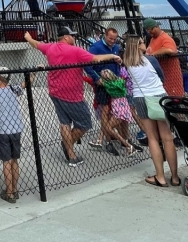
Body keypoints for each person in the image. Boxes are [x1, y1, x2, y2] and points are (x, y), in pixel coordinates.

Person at [25, 27, 121, 167]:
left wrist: (28, 37)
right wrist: (112, 56)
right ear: (65, 37)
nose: (74, 38)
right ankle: (68, 145)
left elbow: (36, 44)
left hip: (54, 91)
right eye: (72, 36)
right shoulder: (75, 50)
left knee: (64, 122)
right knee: (85, 123)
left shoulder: (50, 47)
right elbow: (95, 59)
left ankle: (70, 154)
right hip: (72, 94)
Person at [123, 34, 180, 188]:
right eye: (142, 42)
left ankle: (160, 176)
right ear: (138, 45)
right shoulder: (151, 60)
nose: (145, 44)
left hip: (141, 97)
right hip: (159, 96)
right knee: (167, 137)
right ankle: (174, 176)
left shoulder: (127, 62)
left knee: (152, 138)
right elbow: (161, 77)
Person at [0, 69, 24, 203]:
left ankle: (9, 193)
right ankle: (14, 189)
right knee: (15, 160)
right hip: (16, 129)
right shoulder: (14, 89)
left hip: (3, 131)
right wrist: (33, 74)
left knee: (6, 161)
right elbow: (25, 84)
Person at [86, 27, 123, 153]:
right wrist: (96, 79)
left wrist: (118, 71)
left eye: (114, 39)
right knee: (105, 111)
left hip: (114, 83)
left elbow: (117, 63)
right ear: (105, 36)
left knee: (113, 111)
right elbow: (88, 65)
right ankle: (107, 140)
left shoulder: (116, 47)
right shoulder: (95, 48)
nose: (113, 41)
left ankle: (104, 138)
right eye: (110, 38)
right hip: (102, 84)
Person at [143, 20, 183, 98]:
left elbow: (170, 50)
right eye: (147, 30)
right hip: (160, 75)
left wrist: (152, 54)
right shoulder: (153, 38)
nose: (149, 32)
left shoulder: (165, 38)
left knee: (173, 99)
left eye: (150, 29)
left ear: (157, 27)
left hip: (170, 75)